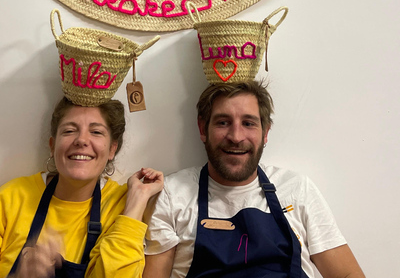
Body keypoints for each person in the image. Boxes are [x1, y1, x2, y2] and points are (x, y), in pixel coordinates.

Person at [143, 81, 365, 278]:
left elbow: (346, 274)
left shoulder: (297, 189)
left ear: (265, 132)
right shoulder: (172, 194)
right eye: (223, 122)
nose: (236, 137)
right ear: (203, 128)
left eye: (248, 123)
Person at [0, 97, 164, 278]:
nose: (81, 140)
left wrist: (135, 205)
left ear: (111, 150)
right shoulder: (11, 198)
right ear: (52, 146)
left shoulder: (122, 205)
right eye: (69, 131)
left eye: (96, 132)